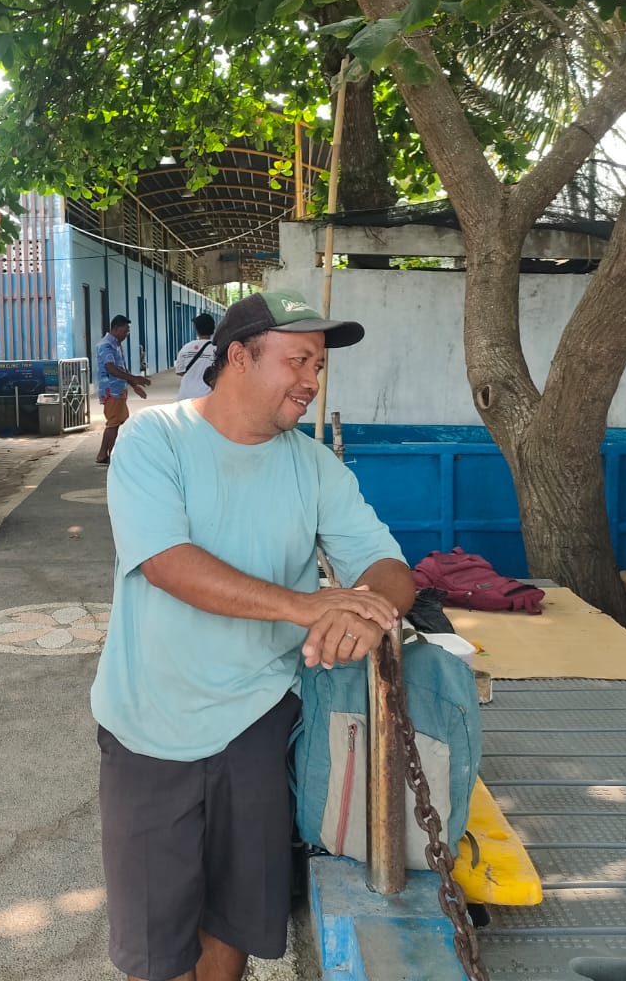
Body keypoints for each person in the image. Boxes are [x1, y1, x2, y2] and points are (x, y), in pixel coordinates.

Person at [90, 289, 416, 981]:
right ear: (239, 357)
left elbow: (387, 566)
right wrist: (309, 607)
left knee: (232, 921)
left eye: (318, 367)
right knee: (158, 948)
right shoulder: (157, 439)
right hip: (151, 725)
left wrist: (367, 614)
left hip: (260, 726)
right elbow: (167, 564)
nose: (311, 380)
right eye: (298, 359)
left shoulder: (314, 465)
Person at [95, 314, 150, 465]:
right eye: (125, 331)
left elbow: (121, 368)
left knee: (117, 421)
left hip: (119, 389)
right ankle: (113, 455)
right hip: (111, 390)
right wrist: (134, 379)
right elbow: (111, 368)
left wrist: (134, 385)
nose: (127, 334)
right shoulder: (106, 346)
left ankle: (102, 454)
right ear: (116, 328)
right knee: (114, 423)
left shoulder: (116, 345)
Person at [172, 312, 217, 401]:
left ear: (196, 329)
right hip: (206, 398)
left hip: (185, 396)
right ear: (213, 329)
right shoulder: (217, 350)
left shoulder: (186, 348)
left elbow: (179, 371)